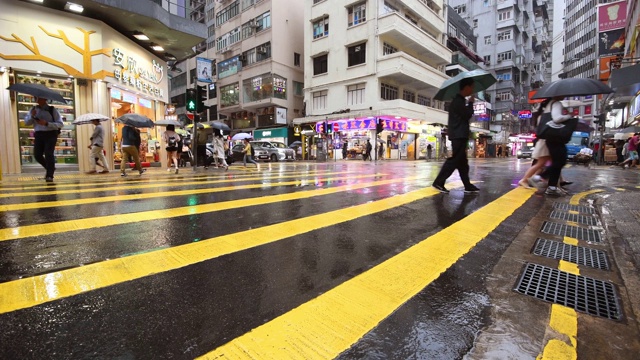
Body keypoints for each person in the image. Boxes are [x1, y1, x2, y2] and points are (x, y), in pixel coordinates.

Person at [432, 78, 479, 194]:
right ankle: (438, 182)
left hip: (459, 134)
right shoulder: (458, 101)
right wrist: (471, 102)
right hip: (458, 135)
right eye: (472, 87)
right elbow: (467, 115)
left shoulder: (460, 100)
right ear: (466, 87)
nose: (472, 89)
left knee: (462, 163)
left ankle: (467, 185)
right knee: (454, 160)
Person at [529, 96, 572, 196]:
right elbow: (557, 118)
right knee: (558, 161)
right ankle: (540, 179)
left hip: (548, 138)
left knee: (556, 162)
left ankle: (551, 185)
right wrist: (569, 116)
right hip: (554, 137)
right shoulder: (556, 104)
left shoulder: (546, 108)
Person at [24, 97, 63, 182]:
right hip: (38, 134)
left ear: (45, 99)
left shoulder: (52, 110)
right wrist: (32, 116)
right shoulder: (33, 109)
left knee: (48, 153)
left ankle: (50, 175)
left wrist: (47, 123)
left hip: (51, 134)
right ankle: (50, 167)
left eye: (39, 97)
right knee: (37, 154)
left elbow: (60, 124)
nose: (36, 99)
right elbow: (27, 122)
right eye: (35, 97)